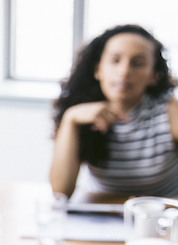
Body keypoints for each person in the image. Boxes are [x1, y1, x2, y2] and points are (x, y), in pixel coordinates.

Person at [49, 24, 178, 198]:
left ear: (153, 76)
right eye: (115, 60)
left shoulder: (169, 110)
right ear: (97, 70)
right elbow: (60, 192)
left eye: (138, 64)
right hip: (103, 214)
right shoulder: (79, 114)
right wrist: (70, 119)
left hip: (161, 215)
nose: (124, 72)